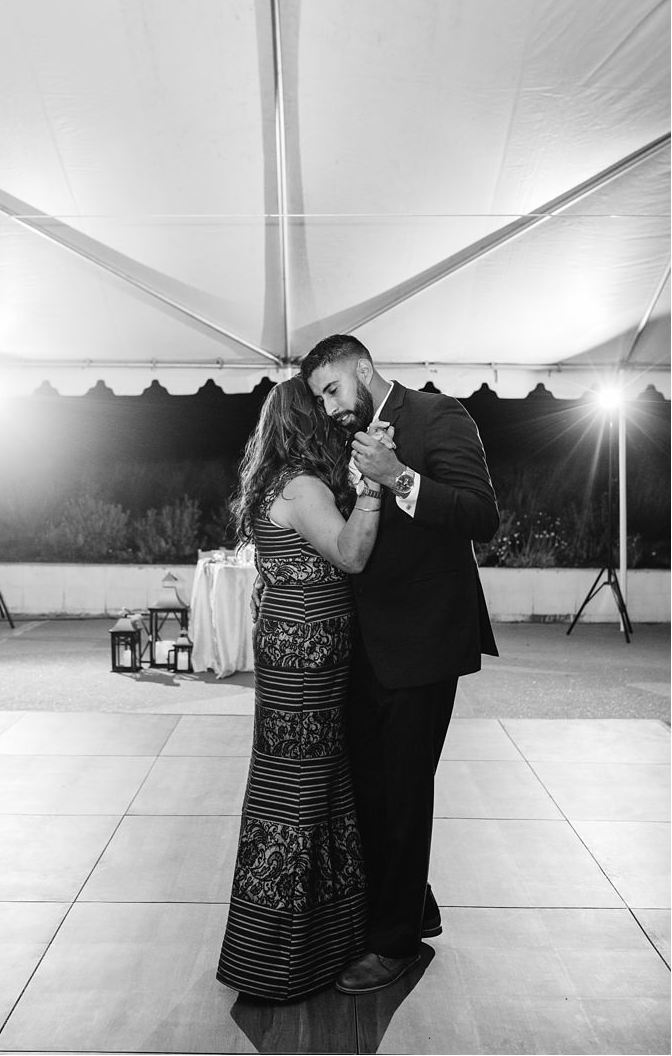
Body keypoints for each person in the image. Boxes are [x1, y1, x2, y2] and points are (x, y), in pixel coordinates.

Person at [301, 334, 499, 994]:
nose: (329, 407)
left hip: (426, 640)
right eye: (319, 397)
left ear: (362, 368)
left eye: (332, 389)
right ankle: (414, 903)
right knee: (370, 790)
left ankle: (395, 945)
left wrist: (397, 478)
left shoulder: (439, 417)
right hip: (366, 643)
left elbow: (481, 515)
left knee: (404, 794)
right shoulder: (346, 437)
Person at [216, 377, 382, 1001]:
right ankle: (276, 959)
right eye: (323, 408)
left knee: (304, 779)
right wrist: (368, 494)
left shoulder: (272, 480)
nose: (336, 414)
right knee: (302, 789)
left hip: (290, 646)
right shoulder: (306, 486)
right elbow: (351, 556)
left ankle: (321, 941)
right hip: (309, 655)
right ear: (304, 421)